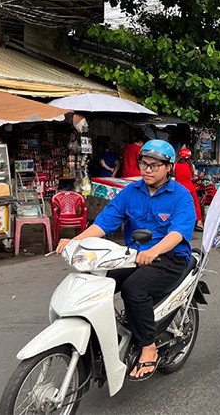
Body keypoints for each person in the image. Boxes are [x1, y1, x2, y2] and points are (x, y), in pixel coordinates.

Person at [55, 140, 195, 381]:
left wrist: (155, 250)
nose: (147, 169)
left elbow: (177, 233)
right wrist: (73, 241)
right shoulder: (130, 192)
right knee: (95, 280)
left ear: (169, 168)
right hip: (131, 256)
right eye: (143, 163)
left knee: (133, 288)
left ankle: (148, 347)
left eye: (155, 165)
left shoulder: (181, 196)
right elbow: (103, 223)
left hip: (169, 258)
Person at [174, 148, 205, 231]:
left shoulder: (175, 165)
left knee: (175, 205)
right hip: (190, 188)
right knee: (196, 205)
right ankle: (199, 222)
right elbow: (191, 177)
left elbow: (174, 175)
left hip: (178, 189)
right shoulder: (191, 166)